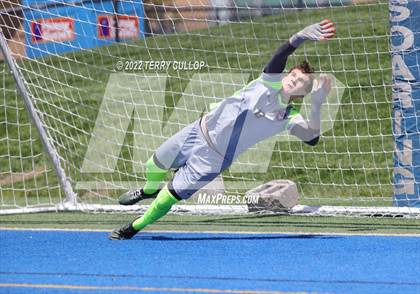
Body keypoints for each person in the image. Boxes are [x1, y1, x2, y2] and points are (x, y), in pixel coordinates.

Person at [109, 19, 336, 240]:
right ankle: (148, 190)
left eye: (300, 83)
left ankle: (132, 228)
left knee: (168, 198)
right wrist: (300, 37)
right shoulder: (268, 81)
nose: (294, 81)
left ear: (303, 94)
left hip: (214, 159)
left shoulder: (288, 116)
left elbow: (311, 138)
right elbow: (280, 56)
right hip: (197, 131)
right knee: (154, 164)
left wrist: (317, 104)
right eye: (293, 75)